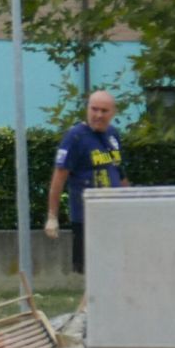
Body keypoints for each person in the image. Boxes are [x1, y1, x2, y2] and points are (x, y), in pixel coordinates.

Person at [45, 90, 129, 274]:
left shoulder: (113, 135)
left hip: (113, 213)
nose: (98, 115)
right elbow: (59, 177)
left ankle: (94, 303)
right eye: (94, 109)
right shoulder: (75, 137)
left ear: (113, 112)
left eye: (104, 111)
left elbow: (119, 173)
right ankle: (88, 303)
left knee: (115, 266)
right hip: (87, 216)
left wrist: (130, 205)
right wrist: (52, 217)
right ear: (87, 109)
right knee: (93, 271)